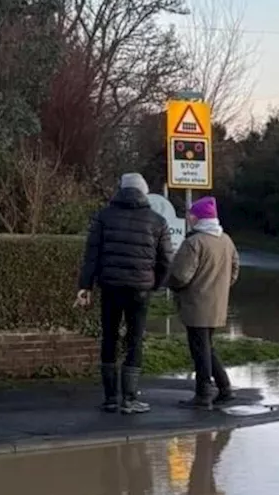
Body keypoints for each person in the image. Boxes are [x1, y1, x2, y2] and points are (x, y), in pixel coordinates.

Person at [76, 173, 173, 414]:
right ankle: (130, 399)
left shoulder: (103, 216)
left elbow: (92, 255)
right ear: (144, 191)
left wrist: (85, 286)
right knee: (135, 339)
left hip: (110, 286)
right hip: (140, 289)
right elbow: (166, 261)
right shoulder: (157, 221)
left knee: (109, 337)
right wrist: (154, 284)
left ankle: (110, 398)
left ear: (121, 189)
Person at [167, 196, 239, 409]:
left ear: (199, 218)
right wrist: (222, 287)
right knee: (207, 346)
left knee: (199, 349)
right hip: (217, 303)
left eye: (191, 214)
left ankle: (203, 394)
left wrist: (172, 285)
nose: (188, 218)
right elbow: (235, 270)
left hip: (196, 302)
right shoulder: (226, 240)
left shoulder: (194, 242)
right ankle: (224, 388)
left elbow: (180, 275)